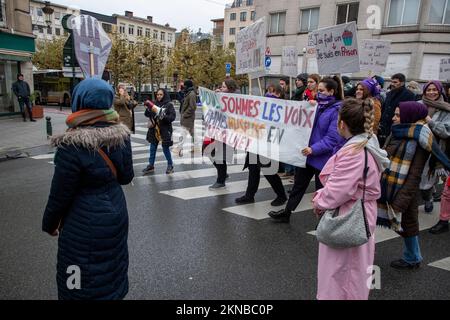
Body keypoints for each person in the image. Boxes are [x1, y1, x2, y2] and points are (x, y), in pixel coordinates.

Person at [42, 78, 134, 299]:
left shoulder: (71, 145)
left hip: (82, 224)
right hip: (116, 216)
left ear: (79, 102)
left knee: (77, 278)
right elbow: (126, 177)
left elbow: (60, 195)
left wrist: (49, 224)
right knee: (112, 268)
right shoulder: (121, 136)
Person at [313, 98, 390, 300]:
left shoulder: (354, 152)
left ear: (342, 124)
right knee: (354, 269)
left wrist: (319, 200)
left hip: (348, 214)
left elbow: (338, 191)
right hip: (360, 212)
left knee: (340, 272)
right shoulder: (367, 144)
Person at [377, 102, 450, 270]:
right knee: (406, 223)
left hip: (403, 189)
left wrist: (402, 197)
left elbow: (415, 173)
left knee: (406, 223)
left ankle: (412, 257)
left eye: (397, 115)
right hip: (391, 184)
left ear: (410, 116)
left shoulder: (420, 137)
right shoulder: (399, 131)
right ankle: (412, 256)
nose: (394, 118)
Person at [268, 76, 347, 223]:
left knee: (321, 192)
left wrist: (313, 149)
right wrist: (309, 107)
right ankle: (287, 212)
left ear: (331, 91)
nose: (318, 93)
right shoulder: (318, 106)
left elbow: (333, 138)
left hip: (323, 159)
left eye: (322, 91)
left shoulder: (337, 110)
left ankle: (324, 221)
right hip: (309, 155)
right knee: (298, 185)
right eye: (318, 90)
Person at [235, 84, 287, 206]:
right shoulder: (262, 105)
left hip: (269, 144)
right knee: (253, 170)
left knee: (269, 171)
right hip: (256, 142)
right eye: (268, 91)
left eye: (272, 92)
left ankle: (281, 195)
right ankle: (249, 195)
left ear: (279, 94)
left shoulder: (283, 108)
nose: (269, 94)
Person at [417, 81, 450, 217]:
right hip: (415, 148)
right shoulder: (417, 105)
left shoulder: (447, 109)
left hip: (433, 152)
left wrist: (430, 121)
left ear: (440, 91)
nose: (431, 92)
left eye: (434, 89)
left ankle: (428, 197)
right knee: (414, 178)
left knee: (426, 181)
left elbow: (446, 132)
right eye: (428, 90)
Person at [207, 79, 239, 190]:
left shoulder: (236, 100)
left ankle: (221, 181)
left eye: (224, 87)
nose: (221, 88)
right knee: (209, 150)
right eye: (221, 86)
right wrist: (215, 98)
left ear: (230, 89)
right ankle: (223, 174)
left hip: (228, 133)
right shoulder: (221, 97)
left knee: (220, 156)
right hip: (217, 130)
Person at [142, 89, 176, 175]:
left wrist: (163, 116)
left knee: (165, 148)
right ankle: (151, 165)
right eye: (157, 94)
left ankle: (170, 165)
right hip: (154, 129)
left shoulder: (169, 105)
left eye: (161, 94)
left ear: (164, 95)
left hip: (165, 129)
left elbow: (172, 117)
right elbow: (146, 115)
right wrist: (148, 109)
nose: (159, 96)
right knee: (152, 148)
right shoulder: (154, 104)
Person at [378, 73, 415, 147]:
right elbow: (384, 108)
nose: (392, 84)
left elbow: (408, 114)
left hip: (396, 128)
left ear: (402, 83)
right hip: (384, 128)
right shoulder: (389, 93)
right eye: (391, 82)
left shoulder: (409, 95)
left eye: (395, 82)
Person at [180, 79, 197, 154]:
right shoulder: (188, 93)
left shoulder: (191, 94)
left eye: (185, 85)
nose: (184, 87)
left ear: (188, 86)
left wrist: (184, 115)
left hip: (188, 117)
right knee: (192, 133)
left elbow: (193, 107)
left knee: (184, 133)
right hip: (188, 117)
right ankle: (195, 147)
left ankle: (179, 148)